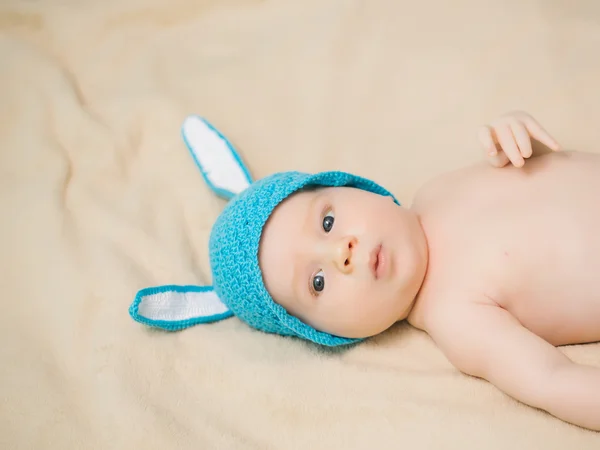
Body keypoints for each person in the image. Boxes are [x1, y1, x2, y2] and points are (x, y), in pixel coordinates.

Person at [131, 110, 600, 431]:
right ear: (333, 334)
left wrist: (515, 133)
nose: (342, 253)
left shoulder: (438, 190)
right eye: (317, 282)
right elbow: (551, 381)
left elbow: (535, 167)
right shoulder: (456, 317)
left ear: (358, 188)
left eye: (328, 221)